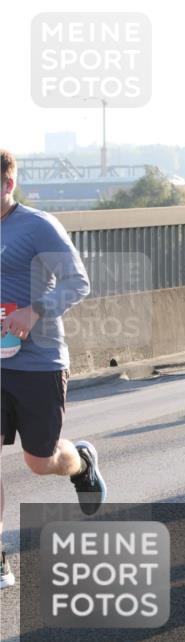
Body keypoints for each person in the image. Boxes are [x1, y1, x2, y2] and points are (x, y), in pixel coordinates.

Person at [1, 149, 104, 589]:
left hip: (38, 361)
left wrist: (34, 311)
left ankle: (80, 463)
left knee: (40, 461)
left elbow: (78, 280)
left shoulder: (37, 225)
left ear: (7, 184)